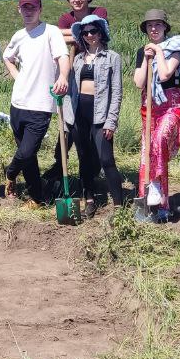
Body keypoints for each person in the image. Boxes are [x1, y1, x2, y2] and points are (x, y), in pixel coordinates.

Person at [2, 0, 70, 207]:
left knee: (27, 151)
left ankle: (10, 173)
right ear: (19, 9)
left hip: (41, 105)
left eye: (32, 7)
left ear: (40, 9)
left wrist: (63, 76)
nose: (28, 11)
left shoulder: (51, 32)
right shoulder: (18, 36)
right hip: (18, 104)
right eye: (24, 7)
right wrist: (18, 77)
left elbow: (63, 57)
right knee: (28, 157)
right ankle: (36, 198)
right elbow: (7, 57)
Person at [132, 9, 180, 223]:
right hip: (149, 105)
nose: (154, 28)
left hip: (172, 104)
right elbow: (139, 83)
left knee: (159, 142)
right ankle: (156, 206)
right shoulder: (143, 52)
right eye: (150, 25)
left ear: (165, 27)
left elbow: (166, 73)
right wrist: (146, 58)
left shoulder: (176, 46)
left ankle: (156, 187)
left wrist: (158, 52)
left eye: (158, 25)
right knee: (147, 154)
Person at [45, 0, 108, 189]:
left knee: (93, 122)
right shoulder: (65, 17)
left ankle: (94, 167)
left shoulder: (99, 11)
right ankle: (59, 165)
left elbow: (99, 28)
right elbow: (55, 34)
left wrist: (73, 33)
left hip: (96, 72)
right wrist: (73, 33)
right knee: (69, 123)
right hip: (72, 73)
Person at [66, 15, 125, 215]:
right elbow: (70, 89)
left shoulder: (112, 58)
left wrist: (111, 121)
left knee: (107, 160)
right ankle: (89, 200)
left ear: (101, 33)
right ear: (81, 36)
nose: (90, 35)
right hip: (78, 115)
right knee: (84, 159)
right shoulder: (77, 59)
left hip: (101, 116)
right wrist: (68, 119)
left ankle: (119, 206)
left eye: (94, 31)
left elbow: (116, 92)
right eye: (85, 32)